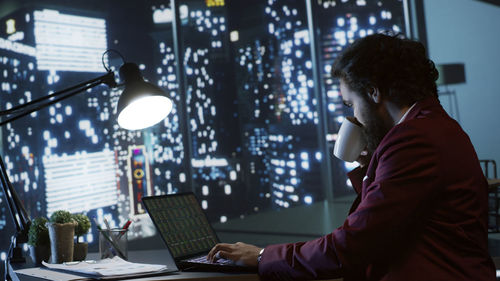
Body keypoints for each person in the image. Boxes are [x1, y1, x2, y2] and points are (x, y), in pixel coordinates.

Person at [207, 33, 496, 280]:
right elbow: (392, 217)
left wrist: (261, 256)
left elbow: (354, 244)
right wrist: (373, 164)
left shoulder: (414, 140)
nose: (353, 116)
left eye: (350, 103)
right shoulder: (434, 126)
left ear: (373, 93)